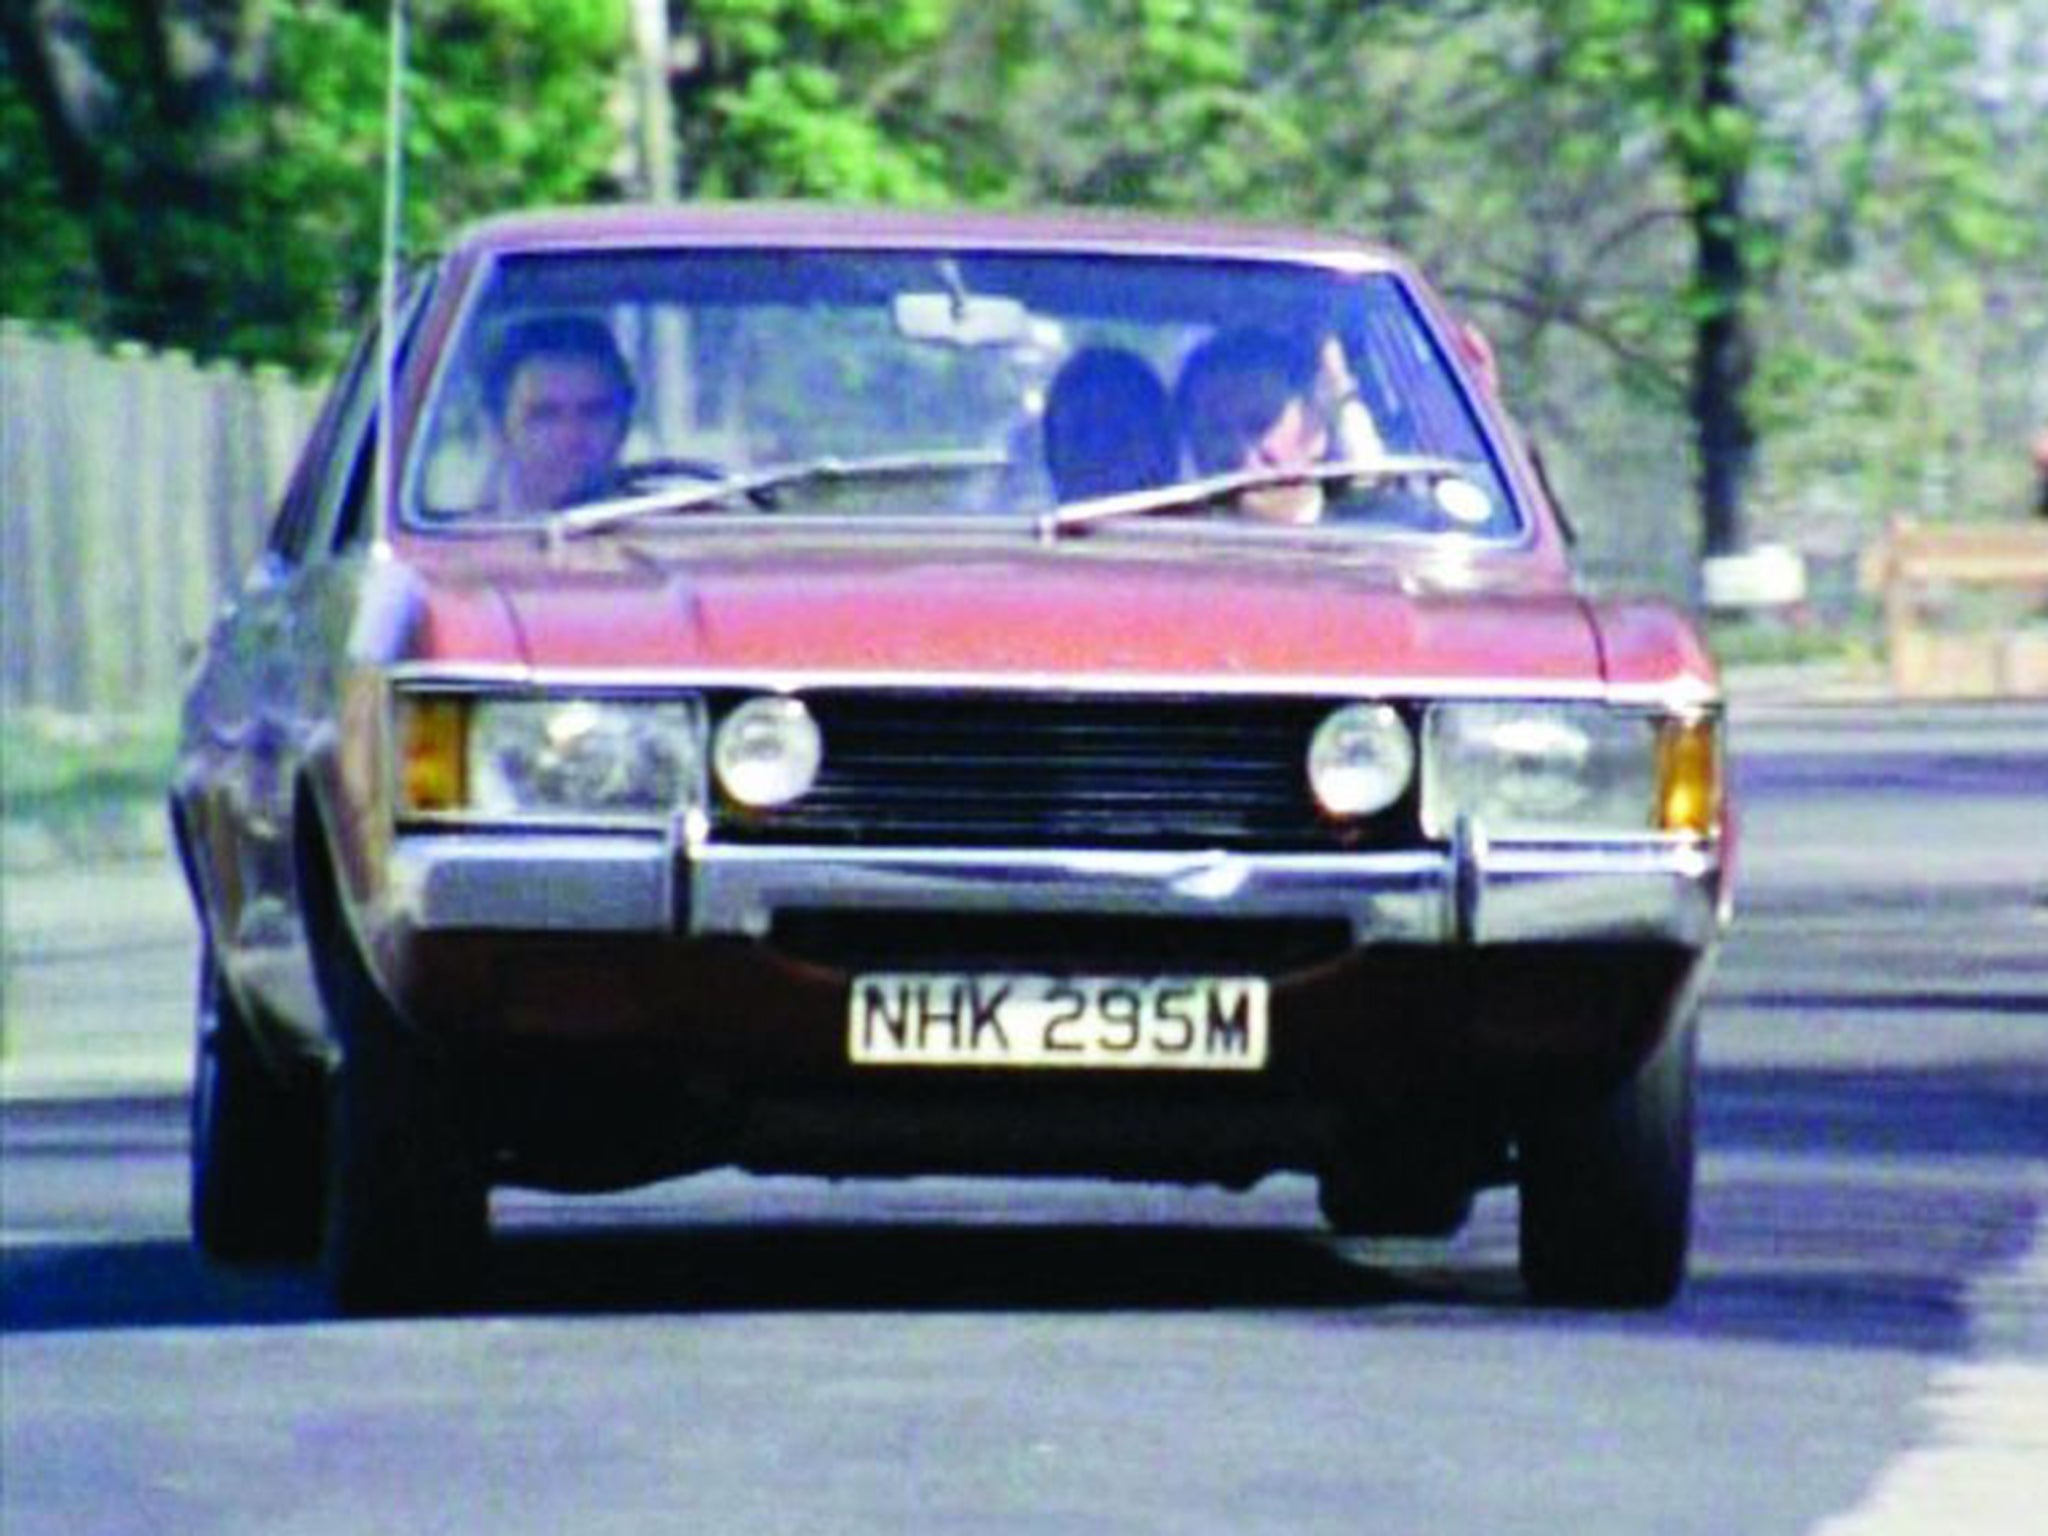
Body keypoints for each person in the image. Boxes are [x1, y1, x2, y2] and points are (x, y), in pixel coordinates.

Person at [1173, 327, 1383, 525]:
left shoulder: (1387, 539)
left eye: (1259, 425)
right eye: (1217, 431)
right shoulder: (1161, 541)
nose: (1239, 450)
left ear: (1315, 432)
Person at [480, 314, 635, 513]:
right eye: (544, 416)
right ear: (497, 430)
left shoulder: (671, 534)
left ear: (624, 427)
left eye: (594, 413)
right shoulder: (454, 541)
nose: (571, 436)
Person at [1041, 346, 1179, 503]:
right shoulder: (1017, 526)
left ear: (1164, 454)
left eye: (1121, 438)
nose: (1099, 454)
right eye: (1081, 439)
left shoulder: (1206, 525)